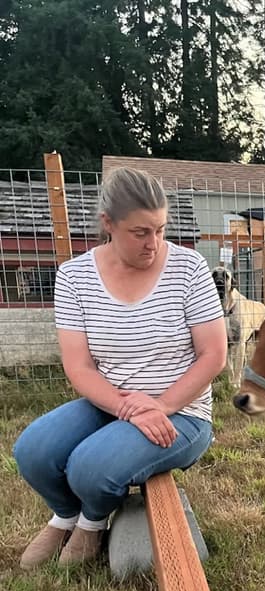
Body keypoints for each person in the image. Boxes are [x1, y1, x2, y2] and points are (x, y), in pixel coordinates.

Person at [13, 166, 228, 569]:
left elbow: (213, 355)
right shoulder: (74, 276)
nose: (154, 243)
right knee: (33, 451)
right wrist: (127, 407)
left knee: (89, 467)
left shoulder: (189, 268)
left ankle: (92, 523)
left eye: (161, 230)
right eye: (140, 232)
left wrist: (161, 406)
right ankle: (66, 515)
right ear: (108, 224)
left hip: (181, 412)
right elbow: (79, 366)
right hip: (109, 402)